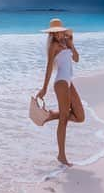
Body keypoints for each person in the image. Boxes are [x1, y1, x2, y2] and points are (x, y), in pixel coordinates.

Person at [36, 18, 85, 166]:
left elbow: (76, 59)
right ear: (51, 34)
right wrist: (44, 88)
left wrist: (71, 44)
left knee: (80, 117)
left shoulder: (66, 44)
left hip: (69, 82)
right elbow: (49, 68)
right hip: (61, 83)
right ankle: (61, 155)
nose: (57, 35)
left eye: (59, 32)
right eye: (54, 33)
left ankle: (52, 115)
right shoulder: (53, 46)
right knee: (64, 119)